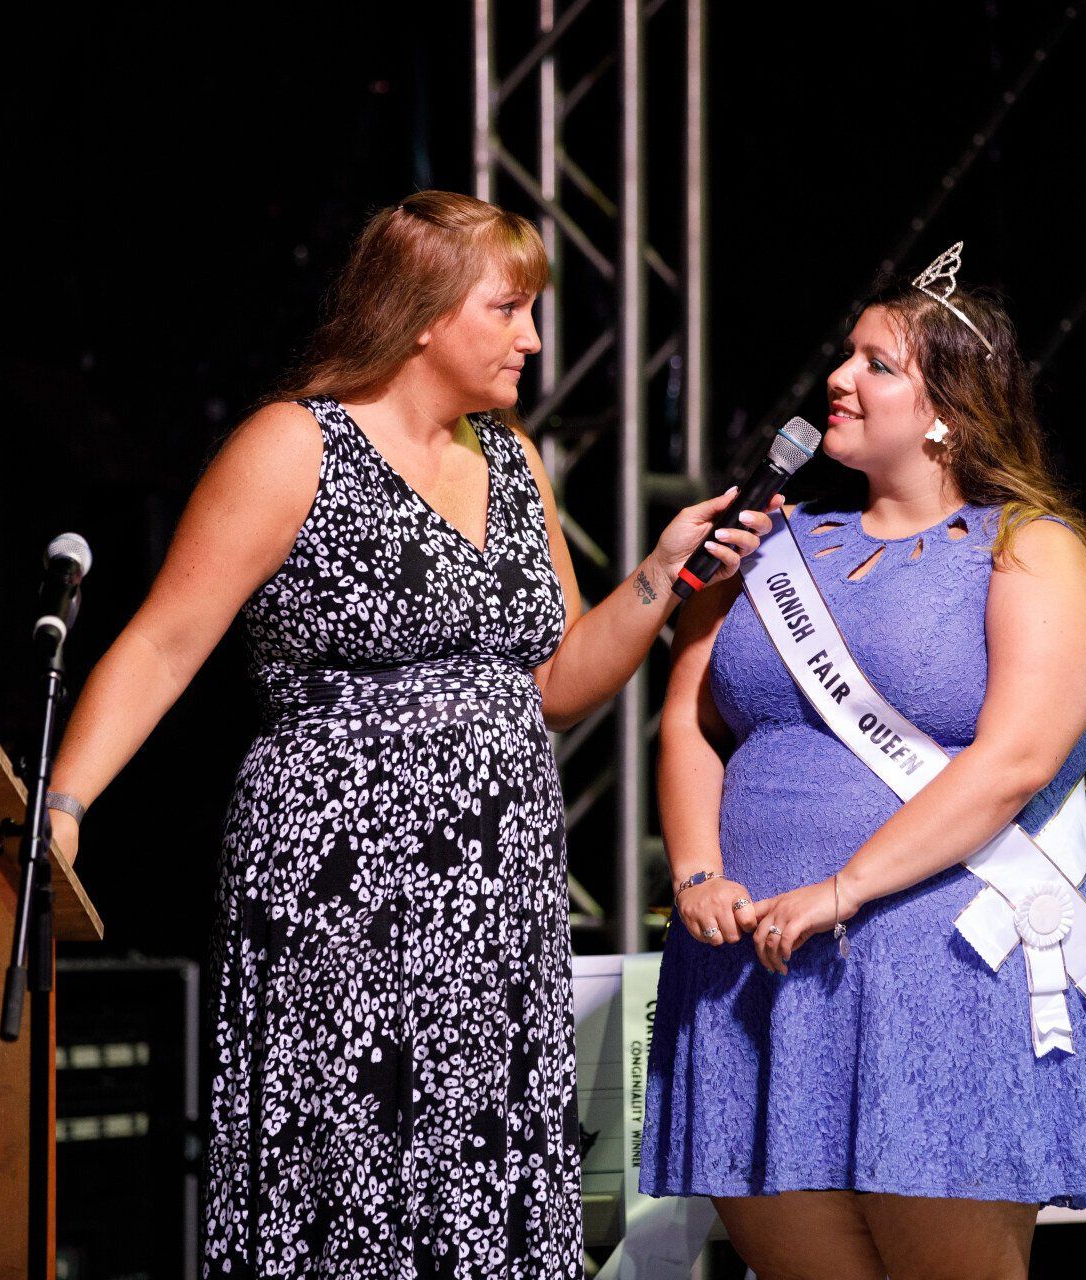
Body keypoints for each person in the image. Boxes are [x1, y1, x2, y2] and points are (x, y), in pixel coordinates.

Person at [39, 191, 777, 1279]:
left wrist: (661, 576)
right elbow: (161, 644)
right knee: (351, 1173)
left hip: (494, 904)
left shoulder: (512, 457)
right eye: (511, 308)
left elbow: (558, 680)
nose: (533, 337)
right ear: (425, 313)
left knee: (479, 1185)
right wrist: (61, 808)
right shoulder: (294, 444)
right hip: (341, 893)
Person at [638, 244, 1086, 1280]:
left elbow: (1014, 760)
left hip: (940, 963)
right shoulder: (767, 547)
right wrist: (696, 869)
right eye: (845, 355)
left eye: (876, 362)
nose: (839, 376)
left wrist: (844, 887)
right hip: (752, 963)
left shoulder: (1034, 549)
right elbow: (689, 718)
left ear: (949, 406)